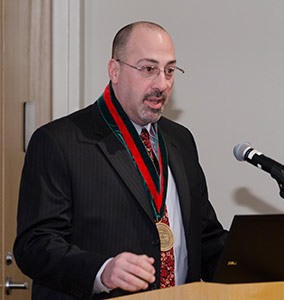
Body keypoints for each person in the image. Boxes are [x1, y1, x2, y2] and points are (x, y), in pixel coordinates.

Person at [14, 21, 228, 300]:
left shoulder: (181, 140)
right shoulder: (59, 142)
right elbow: (34, 245)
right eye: (148, 69)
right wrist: (101, 271)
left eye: (170, 70)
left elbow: (205, 238)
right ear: (114, 70)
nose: (162, 84)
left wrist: (264, 261)